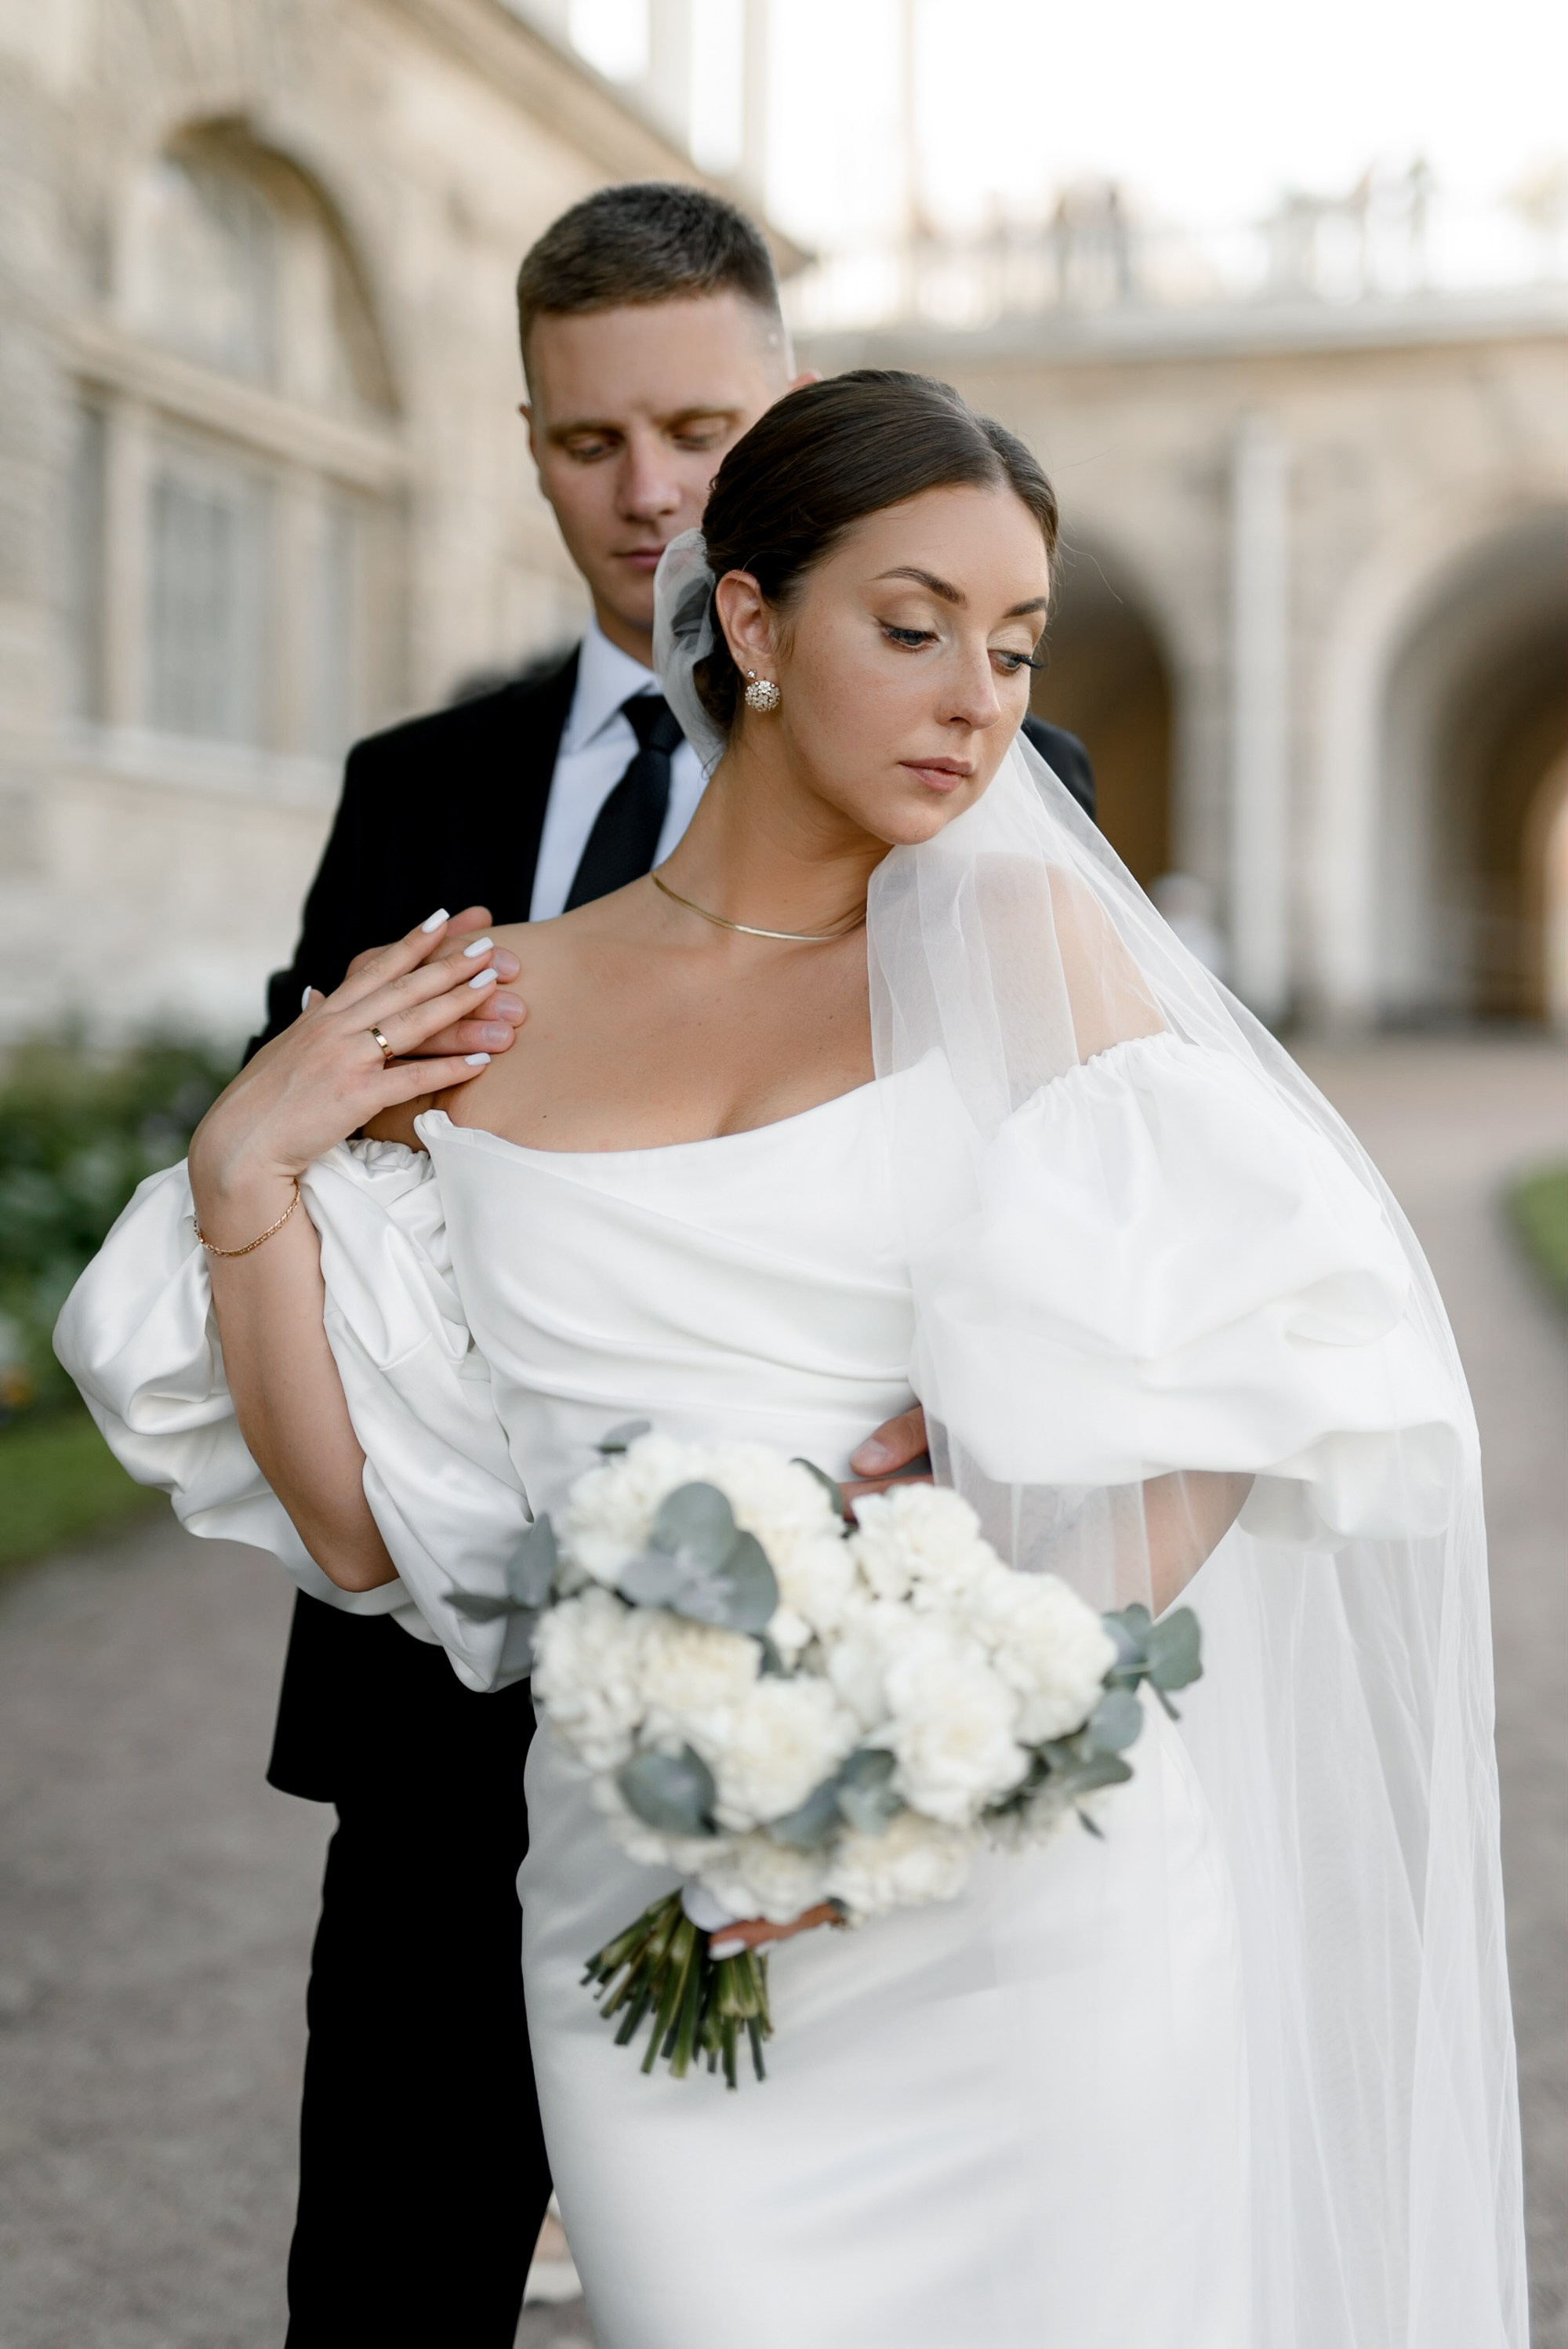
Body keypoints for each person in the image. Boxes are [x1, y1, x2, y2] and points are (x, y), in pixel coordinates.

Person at [60, 369, 1522, 2348]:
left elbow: (1248, 1375)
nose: (977, 698)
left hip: (1023, 1890)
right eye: (912, 628)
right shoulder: (492, 1004)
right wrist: (247, 1171)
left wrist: (963, 1718)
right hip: (646, 1897)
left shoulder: (1036, 961)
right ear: (749, 623)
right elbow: (366, 1536)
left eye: (1012, 647)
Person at [237, 180, 1096, 2349]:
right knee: (381, 2280)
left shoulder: (998, 783)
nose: (642, 495)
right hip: (449, 1722)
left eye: (696, 429)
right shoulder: (412, 791)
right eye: (583, 441)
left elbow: (1090, 1246)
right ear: (527, 438)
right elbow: (332, 1224)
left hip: (844, 1729)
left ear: (787, 416)